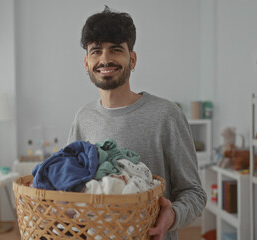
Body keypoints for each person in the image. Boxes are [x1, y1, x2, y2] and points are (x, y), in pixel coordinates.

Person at [67, 6, 207, 240]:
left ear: (132, 59)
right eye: (96, 51)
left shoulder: (166, 114)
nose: (105, 59)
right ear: (86, 62)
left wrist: (171, 217)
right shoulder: (83, 118)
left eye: (115, 49)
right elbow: (73, 189)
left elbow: (194, 193)